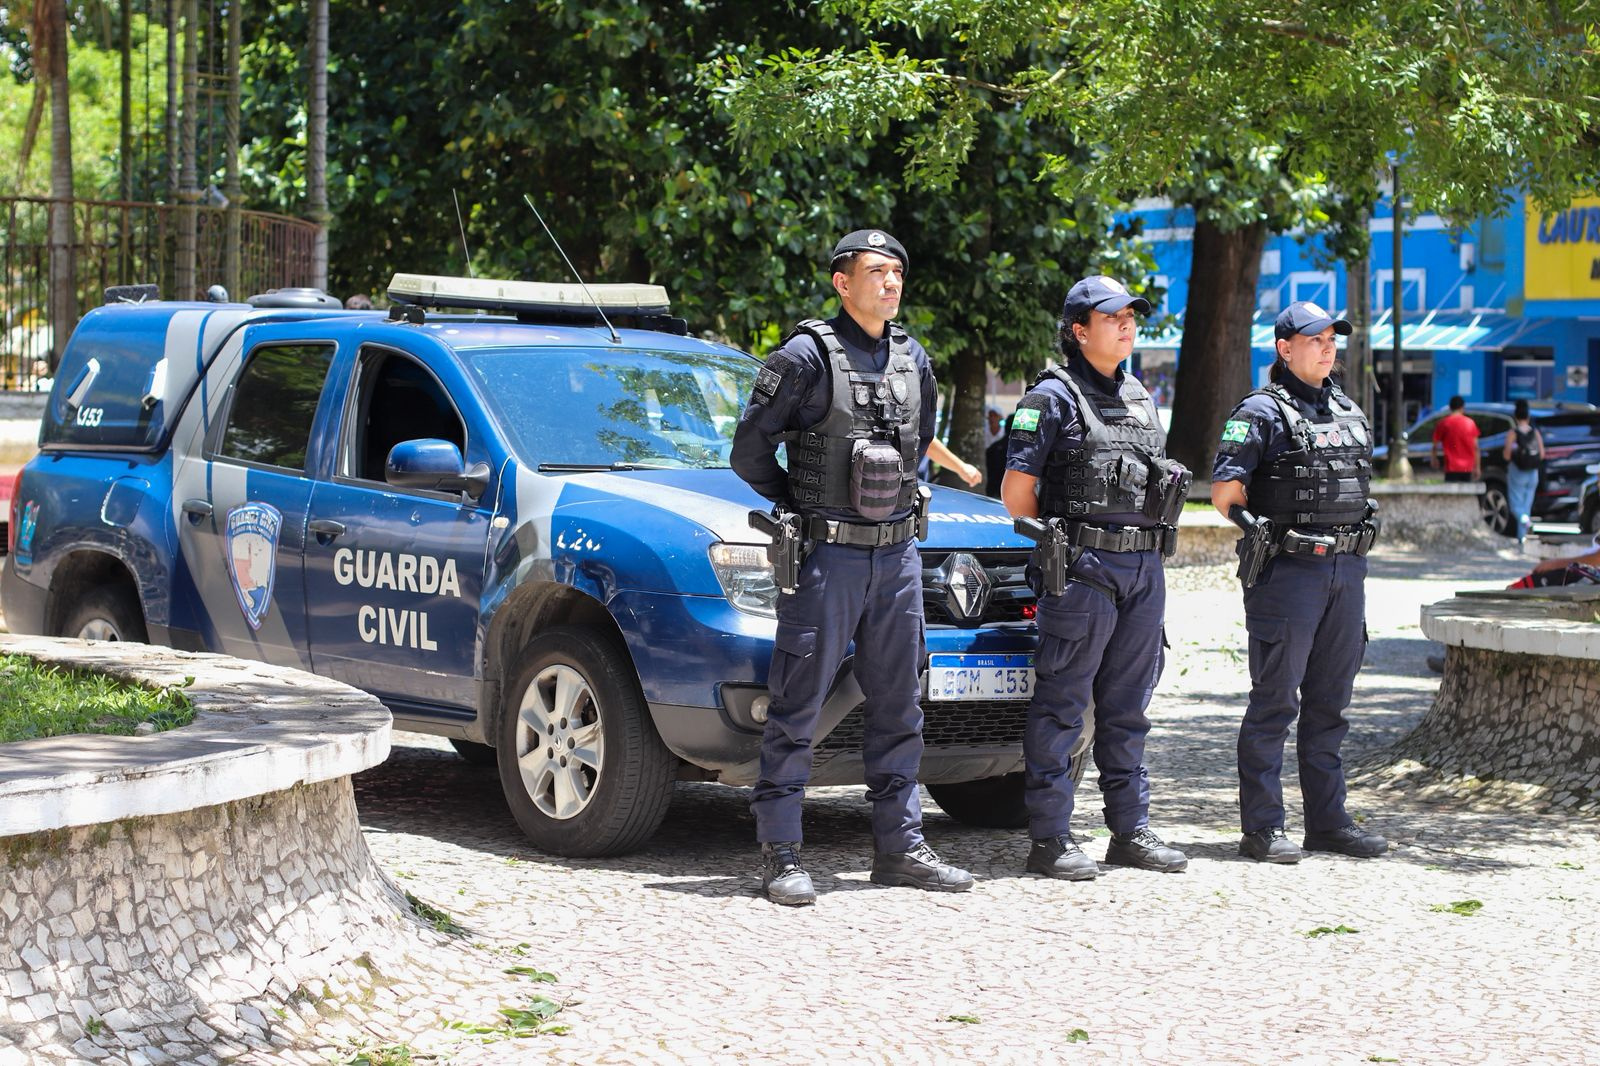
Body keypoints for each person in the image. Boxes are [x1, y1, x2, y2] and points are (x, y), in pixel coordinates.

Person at [730, 228, 973, 905]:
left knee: (900, 706)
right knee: (798, 706)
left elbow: (917, 444)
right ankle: (781, 853)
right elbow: (749, 452)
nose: (891, 283)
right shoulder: (806, 356)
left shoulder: (912, 358)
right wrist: (799, 506)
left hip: (896, 559)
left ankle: (900, 848)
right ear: (842, 282)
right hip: (827, 558)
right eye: (876, 272)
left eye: (897, 271)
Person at [1001, 275, 1191, 881]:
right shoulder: (1051, 397)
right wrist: (1067, 544)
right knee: (1061, 705)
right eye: (1113, 317)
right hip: (1084, 570)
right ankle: (1051, 839)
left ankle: (1129, 830)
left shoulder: (1140, 395)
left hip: (1143, 567)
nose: (1127, 325)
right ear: (1079, 330)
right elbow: (1015, 496)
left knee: (1128, 708)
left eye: (1132, 315)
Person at [1211, 300, 1388, 864]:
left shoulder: (1348, 409)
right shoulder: (1260, 412)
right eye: (1316, 338)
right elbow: (1225, 495)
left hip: (1346, 571)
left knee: (1330, 707)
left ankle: (1328, 824)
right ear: (1285, 348)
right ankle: (1262, 827)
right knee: (1274, 703)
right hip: (1288, 573)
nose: (1329, 345)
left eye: (1334, 337)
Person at [1503, 399, 1544, 546]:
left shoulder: (1513, 433)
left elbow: (1506, 455)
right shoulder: (1535, 432)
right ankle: (1522, 539)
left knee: (1516, 505)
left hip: (1517, 471)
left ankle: (1526, 523)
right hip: (1533, 472)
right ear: (1528, 416)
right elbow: (1542, 454)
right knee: (1526, 505)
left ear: (1515, 416)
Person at [1431, 395, 1480, 482]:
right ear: (1462, 407)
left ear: (1450, 407)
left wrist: (1434, 459)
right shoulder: (1470, 423)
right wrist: (1477, 467)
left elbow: (1435, 445)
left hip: (1451, 467)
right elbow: (1476, 447)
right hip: (1467, 468)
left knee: (1451, 495)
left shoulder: (1444, 423)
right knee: (1466, 494)